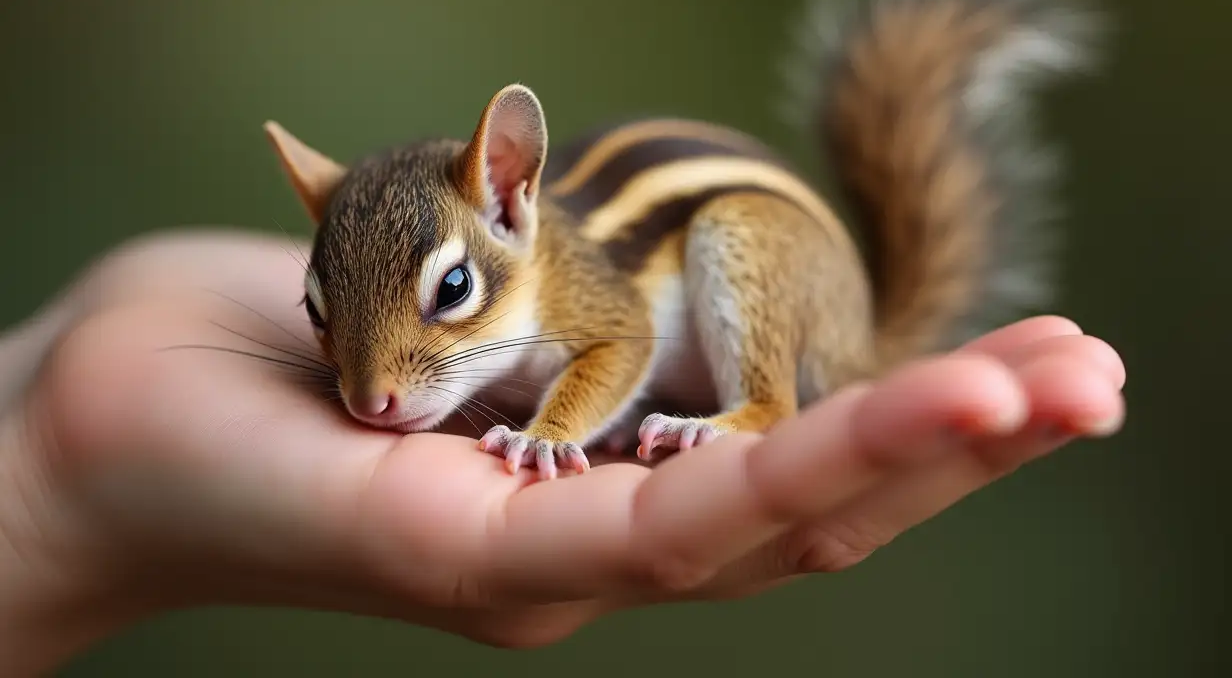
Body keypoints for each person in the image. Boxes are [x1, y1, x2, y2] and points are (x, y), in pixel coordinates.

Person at [0, 230, 1126, 674]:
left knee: (733, 247)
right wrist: (46, 472)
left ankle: (750, 401)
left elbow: (623, 333)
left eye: (447, 299)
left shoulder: (563, 281)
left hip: (782, 299)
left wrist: (550, 430)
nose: (371, 389)